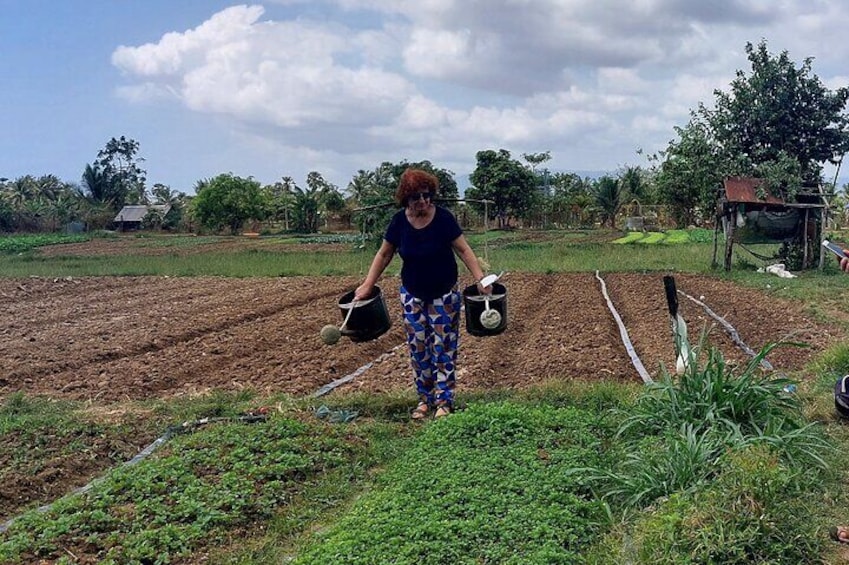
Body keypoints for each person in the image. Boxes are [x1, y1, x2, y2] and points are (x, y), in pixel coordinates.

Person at [354, 168, 490, 420]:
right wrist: (367, 285)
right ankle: (424, 399)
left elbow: (463, 250)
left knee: (443, 347)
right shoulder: (398, 222)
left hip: (444, 295)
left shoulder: (444, 219)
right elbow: (384, 254)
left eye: (427, 196)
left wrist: (480, 278)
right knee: (418, 348)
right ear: (406, 198)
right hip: (412, 295)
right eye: (416, 197)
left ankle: (444, 401)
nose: (423, 202)